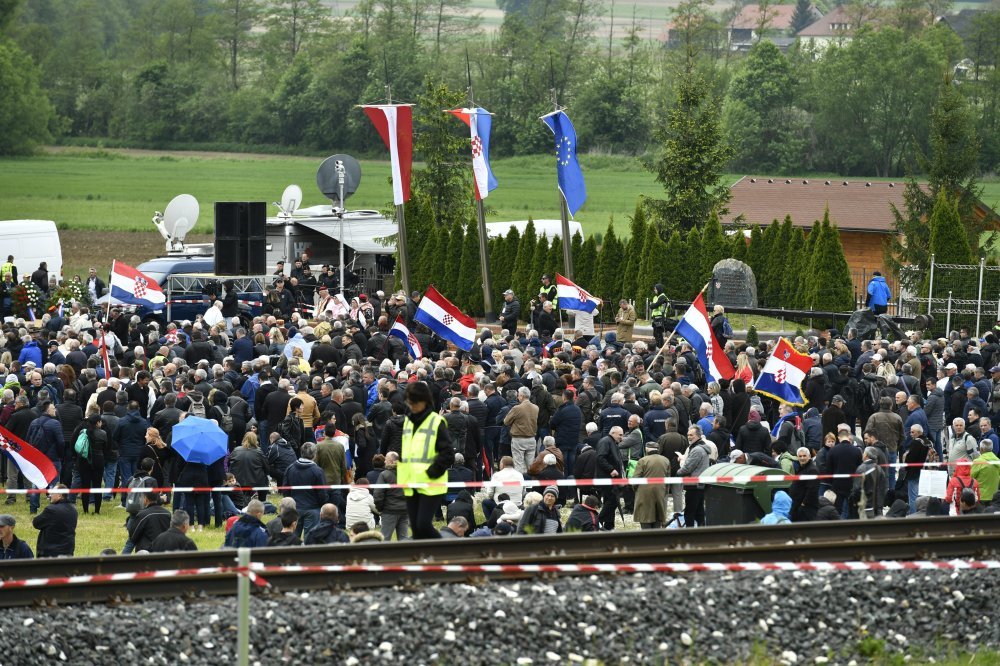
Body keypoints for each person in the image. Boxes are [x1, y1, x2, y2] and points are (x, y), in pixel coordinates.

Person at [398, 381, 455, 539]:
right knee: (416, 529)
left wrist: (432, 471)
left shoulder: (436, 421)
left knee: (423, 525)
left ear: (424, 401)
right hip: (410, 481)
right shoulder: (408, 421)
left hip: (431, 482)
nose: (411, 406)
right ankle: (424, 554)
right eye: (409, 403)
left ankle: (446, 550)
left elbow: (448, 454)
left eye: (414, 403)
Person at [678, 426, 712, 528]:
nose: (689, 437)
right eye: (688, 435)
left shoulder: (697, 450)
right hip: (699, 484)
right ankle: (702, 532)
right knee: (699, 512)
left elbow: (687, 468)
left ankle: (690, 533)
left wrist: (678, 472)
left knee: (690, 512)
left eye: (691, 435)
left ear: (698, 436)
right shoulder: (700, 447)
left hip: (693, 485)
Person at [31, 484, 76, 557]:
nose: (50, 495)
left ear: (60, 495)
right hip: (68, 551)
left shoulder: (51, 510)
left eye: (52, 493)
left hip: (50, 553)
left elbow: (36, 523)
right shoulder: (73, 510)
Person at [632, 442, 671, 529]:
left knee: (645, 519)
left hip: (644, 494)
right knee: (658, 519)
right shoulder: (666, 460)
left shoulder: (642, 460)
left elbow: (635, 480)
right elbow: (668, 479)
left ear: (646, 449)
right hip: (660, 492)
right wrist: (665, 491)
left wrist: (635, 490)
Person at [594, 426, 626, 530]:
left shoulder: (611, 442)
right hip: (606, 477)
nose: (622, 437)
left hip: (611, 478)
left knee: (610, 500)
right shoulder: (605, 441)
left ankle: (609, 526)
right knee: (612, 501)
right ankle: (597, 521)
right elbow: (600, 458)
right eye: (620, 435)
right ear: (613, 433)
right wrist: (611, 469)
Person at [373, 452, 409, 541]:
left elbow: (378, 494)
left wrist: (380, 508)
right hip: (404, 510)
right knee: (404, 539)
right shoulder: (406, 474)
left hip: (389, 511)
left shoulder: (384, 474)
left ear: (391, 461)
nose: (384, 461)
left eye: (386, 459)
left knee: (384, 539)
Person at [504, 386, 539, 474]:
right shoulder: (536, 408)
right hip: (531, 439)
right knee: (530, 465)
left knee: (518, 464)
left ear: (522, 396)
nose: (517, 397)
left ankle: (520, 482)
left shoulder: (517, 408)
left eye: (518, 395)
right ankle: (531, 482)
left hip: (518, 439)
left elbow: (506, 421)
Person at [650, 283, 668, 348]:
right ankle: (658, 347)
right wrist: (653, 305)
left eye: (655, 289)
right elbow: (652, 306)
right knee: (655, 334)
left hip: (660, 317)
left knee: (658, 334)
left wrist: (653, 305)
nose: (654, 290)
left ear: (659, 289)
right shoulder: (656, 297)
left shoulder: (662, 297)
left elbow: (654, 305)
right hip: (656, 318)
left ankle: (660, 347)